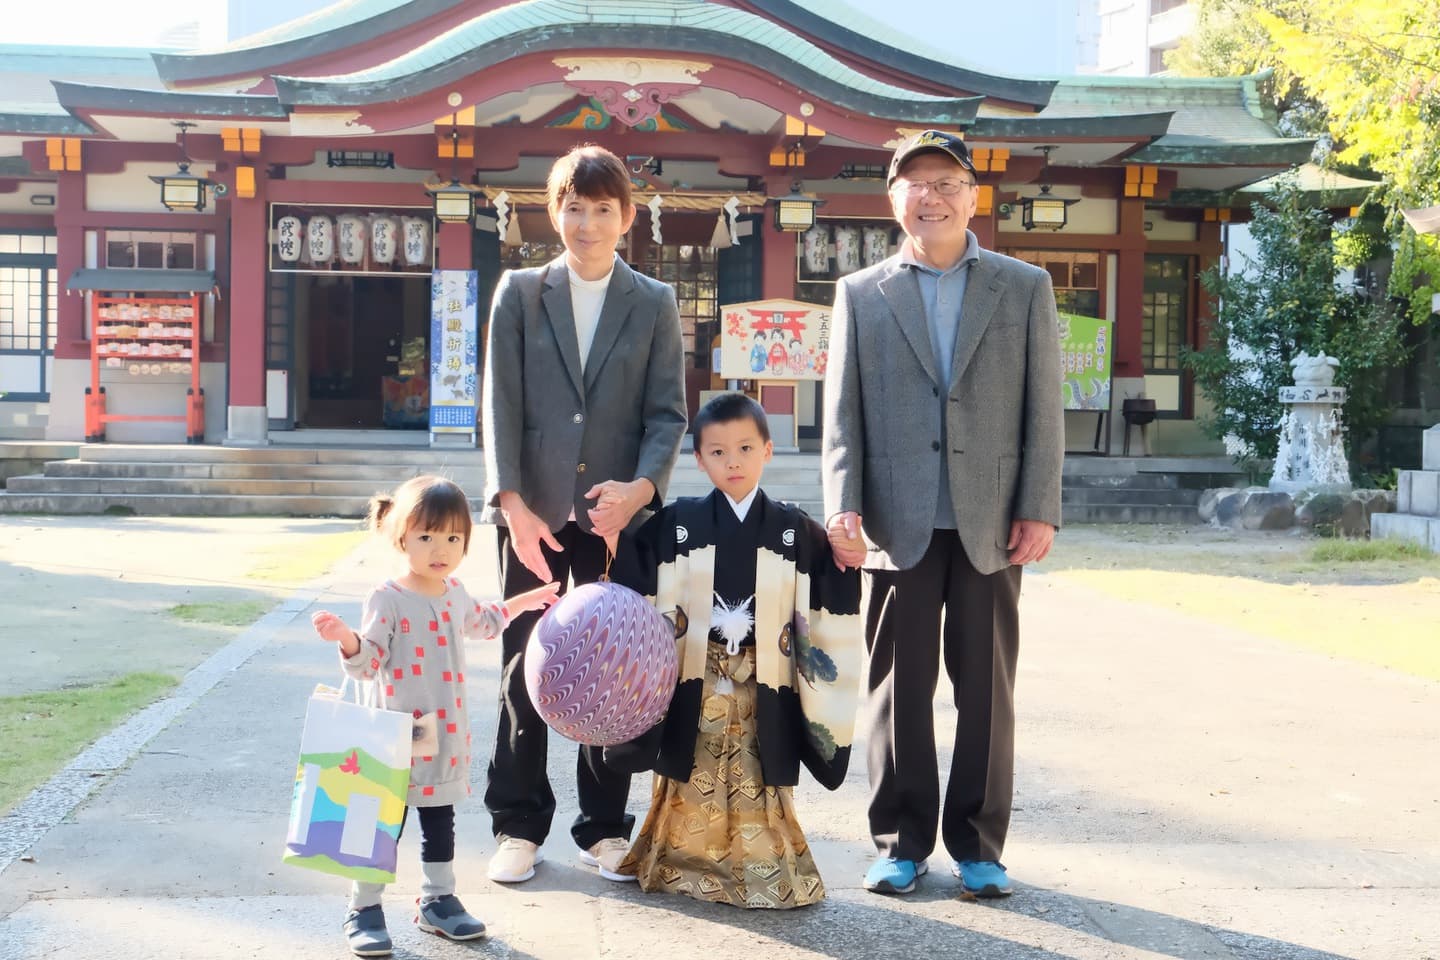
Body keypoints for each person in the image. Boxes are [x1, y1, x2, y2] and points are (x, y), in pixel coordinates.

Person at [821, 129, 1063, 898]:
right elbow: (842, 414)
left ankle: (980, 844)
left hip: (993, 516)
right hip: (899, 519)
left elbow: (1042, 408)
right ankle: (899, 840)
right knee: (898, 686)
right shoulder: (862, 292)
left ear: (973, 195)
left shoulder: (1023, 286)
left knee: (987, 690)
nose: (932, 196)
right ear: (893, 201)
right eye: (915, 184)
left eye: (947, 182)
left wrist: (1039, 506)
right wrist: (843, 505)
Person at [480, 143, 687, 885]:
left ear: (627, 217)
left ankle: (604, 826)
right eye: (575, 207)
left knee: (614, 669)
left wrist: (640, 490)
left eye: (604, 209)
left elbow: (667, 414)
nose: (588, 224)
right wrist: (510, 502)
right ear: (553, 210)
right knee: (522, 668)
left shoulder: (654, 303)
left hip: (614, 519)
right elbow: (500, 403)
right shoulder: (520, 292)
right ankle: (517, 822)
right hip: (533, 513)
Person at [603, 392, 862, 908]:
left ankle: (761, 870)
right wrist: (616, 539)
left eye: (745, 447)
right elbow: (635, 574)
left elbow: (831, 584)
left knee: (757, 776)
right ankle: (679, 863)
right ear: (698, 460)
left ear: (768, 450)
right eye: (717, 452)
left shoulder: (792, 527)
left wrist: (847, 558)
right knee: (690, 775)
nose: (733, 461)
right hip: (697, 681)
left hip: (762, 685)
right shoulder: (678, 522)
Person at [311, 475, 559, 957]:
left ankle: (438, 900)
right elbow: (368, 662)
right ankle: (363, 907)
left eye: (453, 538)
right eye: (426, 536)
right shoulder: (388, 598)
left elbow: (485, 620)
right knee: (381, 821)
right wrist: (345, 637)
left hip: (442, 735)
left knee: (439, 819)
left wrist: (525, 602)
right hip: (393, 736)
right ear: (401, 537)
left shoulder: (453, 591)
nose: (440, 548)